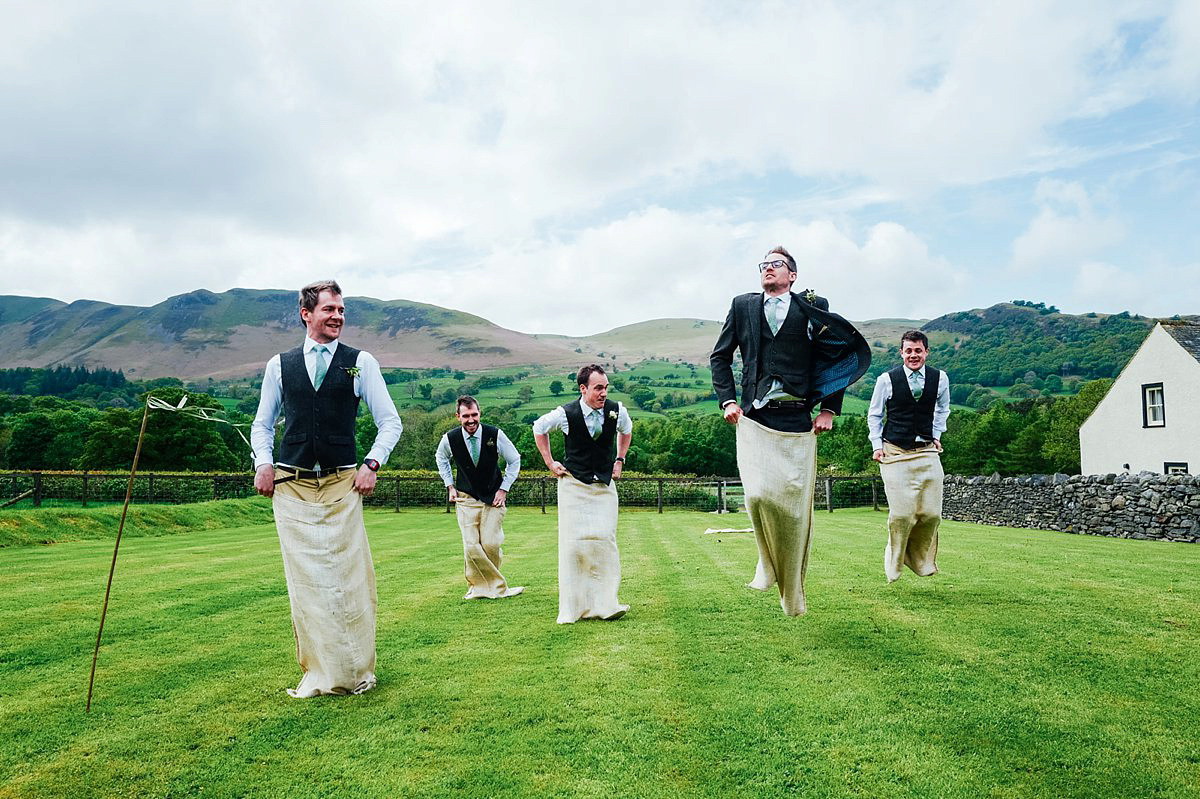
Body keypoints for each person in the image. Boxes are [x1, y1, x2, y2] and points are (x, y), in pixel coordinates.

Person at [250, 280, 402, 698]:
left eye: (341, 310)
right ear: (306, 314)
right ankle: (319, 671)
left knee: (351, 580)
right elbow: (262, 425)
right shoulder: (280, 366)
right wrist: (262, 462)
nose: (337, 316)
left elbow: (391, 421)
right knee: (307, 585)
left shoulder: (359, 363)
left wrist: (373, 463)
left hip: (341, 484)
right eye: (329, 309)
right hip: (291, 487)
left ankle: (355, 671)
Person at [710, 246, 870, 615]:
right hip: (754, 415)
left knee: (795, 511)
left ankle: (793, 590)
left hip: (798, 415)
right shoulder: (742, 306)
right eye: (764, 265)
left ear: (792, 275)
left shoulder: (812, 306)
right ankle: (766, 565)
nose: (768, 269)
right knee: (759, 497)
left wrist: (829, 408)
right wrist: (727, 401)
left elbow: (835, 357)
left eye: (776, 264)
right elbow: (720, 356)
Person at [532, 364, 632, 624]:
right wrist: (550, 462)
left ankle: (607, 604)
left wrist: (620, 459)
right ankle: (574, 608)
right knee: (574, 545)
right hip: (573, 485)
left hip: (604, 486)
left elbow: (627, 430)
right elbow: (539, 428)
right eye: (598, 388)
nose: (603, 393)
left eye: (606, 387)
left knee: (605, 541)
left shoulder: (616, 410)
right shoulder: (566, 414)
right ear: (583, 388)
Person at [867, 330, 950, 582]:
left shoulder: (940, 378)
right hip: (894, 451)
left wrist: (937, 435)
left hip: (926, 450)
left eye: (918, 350)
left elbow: (943, 408)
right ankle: (894, 561)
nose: (913, 355)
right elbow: (874, 414)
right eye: (908, 351)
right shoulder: (886, 380)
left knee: (932, 514)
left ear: (926, 352)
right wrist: (876, 444)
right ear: (901, 353)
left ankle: (921, 560)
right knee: (902, 515)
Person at [435, 395, 525, 600]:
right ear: (458, 416)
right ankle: (481, 588)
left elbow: (515, 459)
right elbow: (440, 458)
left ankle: (492, 587)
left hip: (494, 498)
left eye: (474, 414)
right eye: (466, 416)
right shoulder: (450, 439)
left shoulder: (495, 434)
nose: (471, 420)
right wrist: (449, 485)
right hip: (465, 498)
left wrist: (504, 489)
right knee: (471, 546)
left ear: (479, 413)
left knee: (491, 544)